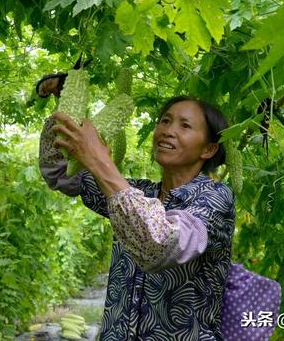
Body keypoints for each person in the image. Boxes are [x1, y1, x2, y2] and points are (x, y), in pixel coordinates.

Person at [40, 95, 236, 340]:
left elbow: (160, 244)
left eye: (184, 125)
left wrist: (99, 161)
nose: (168, 131)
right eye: (165, 121)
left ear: (208, 149)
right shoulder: (139, 193)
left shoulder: (215, 198)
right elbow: (60, 174)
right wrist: (66, 107)